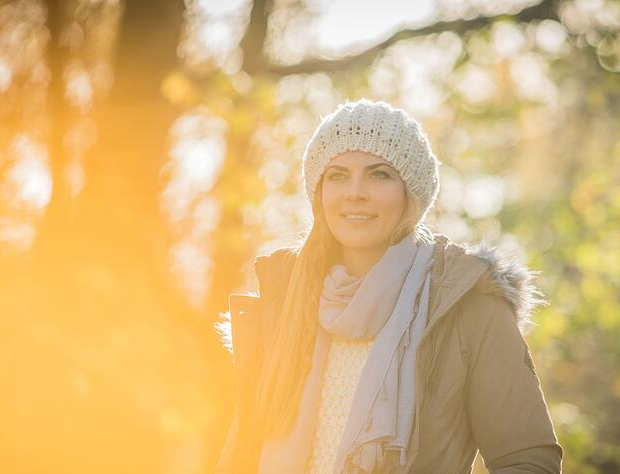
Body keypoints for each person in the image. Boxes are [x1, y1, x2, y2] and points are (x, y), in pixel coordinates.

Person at [215, 99, 562, 473]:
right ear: (319, 194)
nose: (355, 192)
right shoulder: (285, 306)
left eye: (379, 174)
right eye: (337, 175)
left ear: (409, 194)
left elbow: (528, 461)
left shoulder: (467, 306)